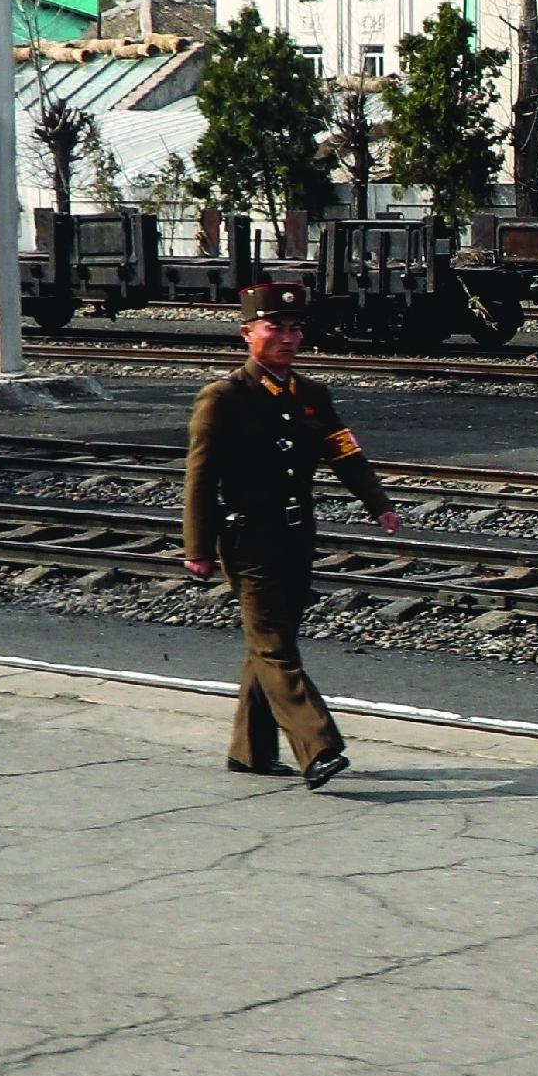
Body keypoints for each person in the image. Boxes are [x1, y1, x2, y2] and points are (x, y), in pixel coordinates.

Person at [182, 281, 401, 791]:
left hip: (296, 534)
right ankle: (318, 745)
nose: (287, 337)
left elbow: (343, 453)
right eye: (274, 327)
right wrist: (196, 547)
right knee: (276, 647)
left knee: (269, 645)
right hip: (248, 539)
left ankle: (251, 751)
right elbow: (200, 476)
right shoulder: (223, 398)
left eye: (295, 328)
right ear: (247, 334)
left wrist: (378, 503)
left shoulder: (311, 395)